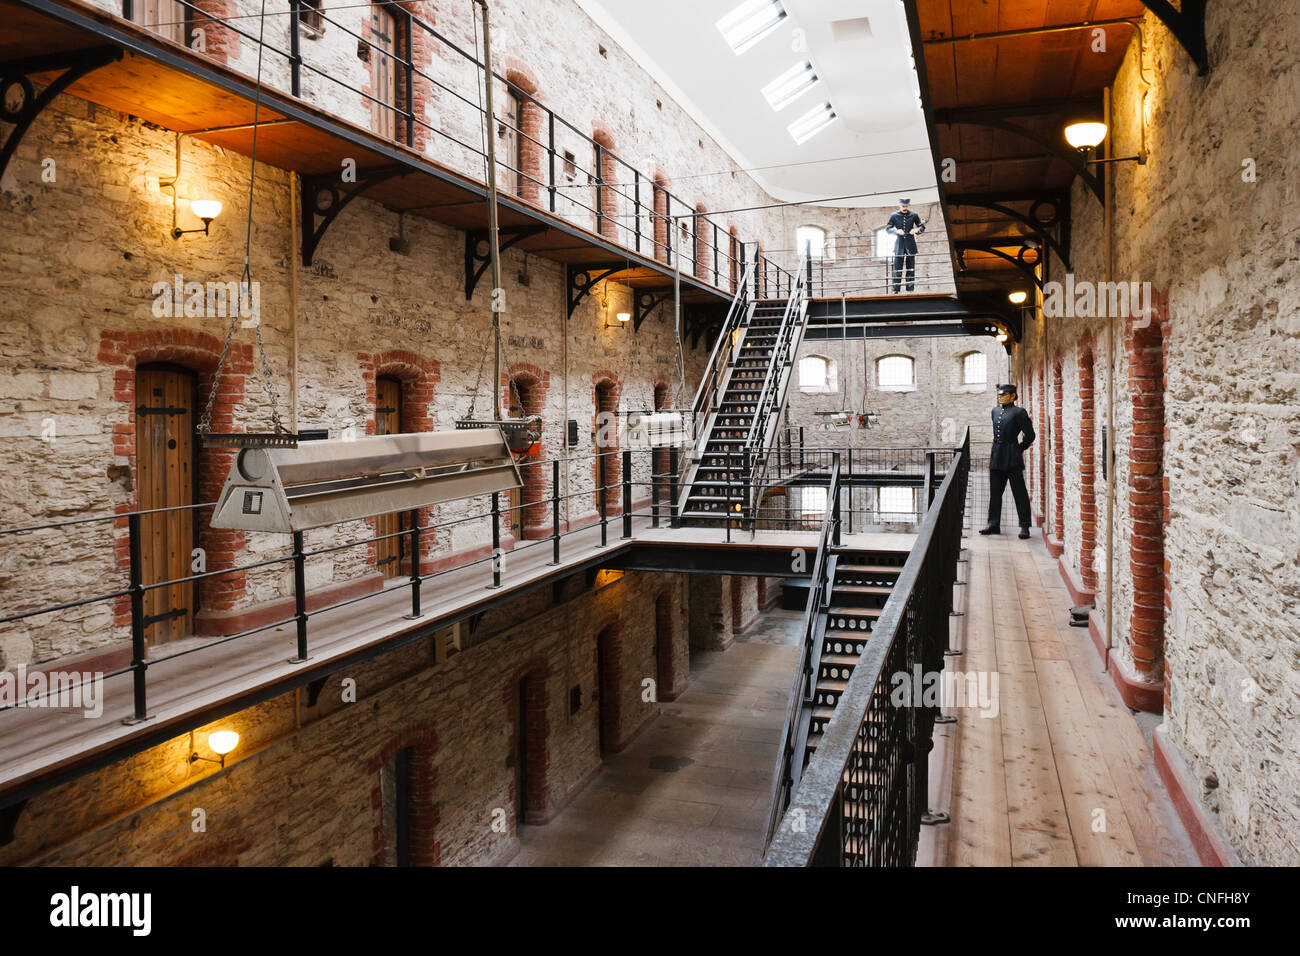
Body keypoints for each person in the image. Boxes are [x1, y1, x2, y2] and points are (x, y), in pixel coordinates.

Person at [980, 383, 1035, 538]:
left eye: (1003, 395)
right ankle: (993, 524)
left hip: (1012, 456)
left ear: (1012, 395)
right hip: (997, 455)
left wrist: (1019, 448)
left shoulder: (1019, 412)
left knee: (1019, 493)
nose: (1000, 397)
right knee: (995, 492)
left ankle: (1024, 526)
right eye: (999, 395)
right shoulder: (995, 411)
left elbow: (1030, 435)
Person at [885, 198, 925, 293]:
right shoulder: (894, 215)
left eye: (906, 206)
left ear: (908, 205)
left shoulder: (914, 215)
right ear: (899, 205)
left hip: (911, 244)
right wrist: (896, 231)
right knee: (897, 268)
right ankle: (895, 290)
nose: (904, 208)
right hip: (899, 245)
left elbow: (922, 227)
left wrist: (916, 230)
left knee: (910, 268)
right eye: (903, 206)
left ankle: (910, 289)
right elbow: (888, 228)